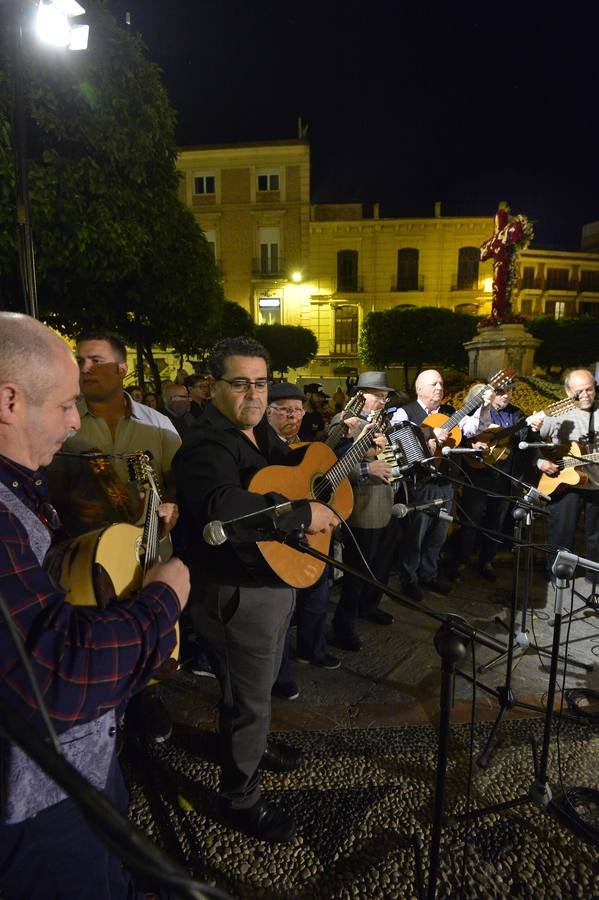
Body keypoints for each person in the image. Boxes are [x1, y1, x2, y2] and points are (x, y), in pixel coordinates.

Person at [0, 312, 190, 900]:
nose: (73, 420)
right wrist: (163, 599)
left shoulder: (21, 483)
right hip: (35, 806)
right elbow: (56, 673)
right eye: (64, 405)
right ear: (9, 401)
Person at [173, 336, 338, 843]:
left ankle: (252, 745)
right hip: (236, 590)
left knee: (252, 687)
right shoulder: (206, 444)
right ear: (213, 386)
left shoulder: (258, 432)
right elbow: (222, 504)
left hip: (270, 576)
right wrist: (300, 513)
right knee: (250, 700)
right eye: (240, 383)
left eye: (261, 383)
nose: (254, 394)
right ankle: (239, 796)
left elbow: (291, 472)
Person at [48, 329, 182, 742]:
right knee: (93, 635)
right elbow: (43, 485)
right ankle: (99, 717)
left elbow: (178, 484)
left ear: (122, 369)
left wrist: (172, 508)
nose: (85, 368)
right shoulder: (62, 420)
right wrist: (70, 503)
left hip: (146, 549)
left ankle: (148, 696)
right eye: (80, 360)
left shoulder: (159, 426)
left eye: (96, 360)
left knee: (151, 624)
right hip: (84, 552)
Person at [265, 382, 340, 701]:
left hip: (316, 537)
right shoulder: (262, 448)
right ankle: (278, 675)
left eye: (298, 410)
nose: (294, 416)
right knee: (283, 611)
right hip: (283, 541)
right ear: (268, 412)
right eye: (285, 410)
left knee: (317, 598)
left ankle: (312, 649)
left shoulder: (307, 445)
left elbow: (325, 479)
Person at [329, 371, 396, 651]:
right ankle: (342, 626)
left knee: (380, 566)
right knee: (357, 573)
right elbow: (332, 464)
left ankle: (368, 607)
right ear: (361, 394)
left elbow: (386, 456)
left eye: (385, 397)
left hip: (386, 503)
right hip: (361, 506)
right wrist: (367, 468)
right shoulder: (344, 420)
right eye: (378, 396)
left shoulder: (381, 421)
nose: (382, 401)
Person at [450, 379, 541, 581]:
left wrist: (534, 430)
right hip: (476, 476)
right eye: (501, 391)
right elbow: (460, 436)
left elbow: (527, 442)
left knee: (495, 524)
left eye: (509, 391)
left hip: (504, 478)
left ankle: (486, 561)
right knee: (470, 522)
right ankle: (460, 562)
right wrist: (473, 445)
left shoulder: (517, 415)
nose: (506, 395)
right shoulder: (477, 410)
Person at [390, 369, 457, 602]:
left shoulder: (450, 413)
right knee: (415, 536)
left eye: (441, 383)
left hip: (446, 481)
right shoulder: (404, 412)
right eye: (433, 384)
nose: (439, 387)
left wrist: (485, 405)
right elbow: (398, 436)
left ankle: (429, 574)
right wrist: (429, 433)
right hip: (421, 484)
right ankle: (409, 578)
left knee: (438, 534)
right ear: (419, 389)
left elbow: (472, 427)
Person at [537, 368, 599, 579]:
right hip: (564, 483)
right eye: (579, 391)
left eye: (589, 389)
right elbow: (532, 441)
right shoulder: (557, 414)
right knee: (561, 534)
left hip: (596, 483)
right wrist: (540, 461)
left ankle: (595, 578)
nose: (585, 395)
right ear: (568, 392)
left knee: (596, 537)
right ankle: (557, 576)